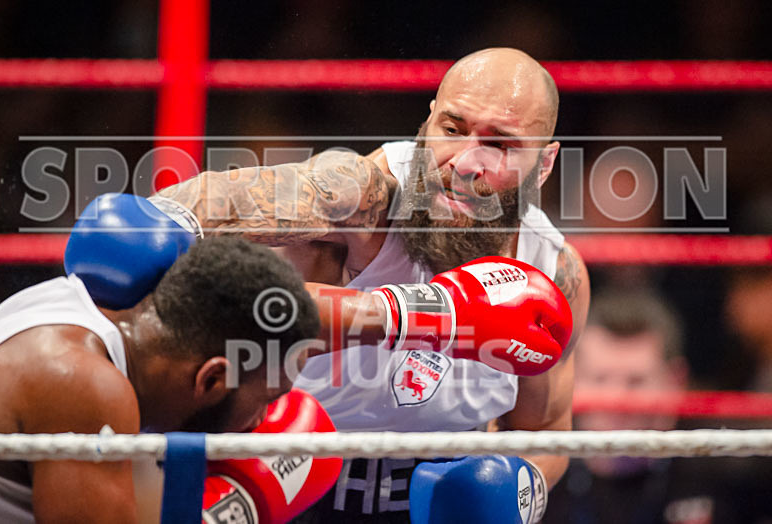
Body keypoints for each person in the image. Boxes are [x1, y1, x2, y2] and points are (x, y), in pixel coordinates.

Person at [79, 47, 590, 522]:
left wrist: (519, 489)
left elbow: (545, 429)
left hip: (434, 504)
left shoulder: (554, 274)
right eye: (452, 128)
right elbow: (258, 196)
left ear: (544, 163)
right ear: (429, 120)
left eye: (499, 144)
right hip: (282, 481)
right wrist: (160, 220)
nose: (463, 162)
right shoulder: (365, 198)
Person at [0, 234, 329, 523]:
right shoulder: (87, 387)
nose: (263, 419)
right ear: (213, 380)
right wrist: (230, 511)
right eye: (267, 399)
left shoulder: (77, 304)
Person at [544, 288, 772, 524]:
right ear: (573, 380)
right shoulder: (543, 477)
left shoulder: (723, 472)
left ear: (675, 381)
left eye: (636, 381)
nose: (617, 399)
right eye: (600, 379)